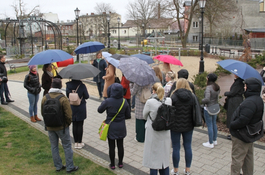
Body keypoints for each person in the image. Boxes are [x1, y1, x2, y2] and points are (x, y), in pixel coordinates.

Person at [41, 78, 78, 173]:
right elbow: (68, 115)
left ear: (51, 86)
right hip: (62, 127)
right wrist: (67, 124)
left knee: (54, 146)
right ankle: (70, 166)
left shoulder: (45, 97)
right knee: (67, 146)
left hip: (50, 126)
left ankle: (58, 166)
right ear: (61, 86)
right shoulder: (63, 98)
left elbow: (42, 112)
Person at [230, 77, 264, 175]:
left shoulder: (249, 102)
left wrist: (232, 125)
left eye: (246, 86)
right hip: (250, 134)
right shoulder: (258, 99)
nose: (244, 87)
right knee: (248, 158)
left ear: (250, 88)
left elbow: (243, 120)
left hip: (242, 134)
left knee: (237, 158)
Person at [97, 83, 130, 170]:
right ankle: (120, 163)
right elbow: (128, 115)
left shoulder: (108, 101)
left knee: (111, 146)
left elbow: (99, 110)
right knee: (120, 145)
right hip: (121, 126)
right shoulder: (124, 101)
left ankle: (112, 164)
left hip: (111, 126)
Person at [142, 82, 172, 175]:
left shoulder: (150, 102)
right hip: (165, 131)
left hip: (153, 132)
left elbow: (144, 115)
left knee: (153, 160)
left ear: (153, 91)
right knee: (164, 159)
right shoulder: (169, 101)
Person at [170, 78, 194, 175]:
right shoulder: (192, 96)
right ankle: (187, 169)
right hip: (188, 125)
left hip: (175, 125)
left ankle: (176, 170)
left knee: (176, 147)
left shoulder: (174, 96)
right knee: (188, 146)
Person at [66, 79, 89, 149]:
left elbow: (67, 95)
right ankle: (80, 142)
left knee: (74, 124)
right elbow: (87, 96)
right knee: (80, 124)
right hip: (80, 106)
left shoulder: (68, 85)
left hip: (72, 106)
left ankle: (75, 142)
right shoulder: (82, 86)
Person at [201, 73, 220, 148]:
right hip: (215, 106)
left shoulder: (209, 88)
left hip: (208, 107)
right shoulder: (217, 87)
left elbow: (207, 99)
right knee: (214, 123)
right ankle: (215, 140)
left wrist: (202, 101)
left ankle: (210, 142)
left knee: (209, 125)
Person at [224, 74, 244, 140]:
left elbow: (232, 93)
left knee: (232, 116)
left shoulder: (238, 83)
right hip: (236, 100)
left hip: (234, 102)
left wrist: (226, 93)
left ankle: (233, 133)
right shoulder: (239, 82)